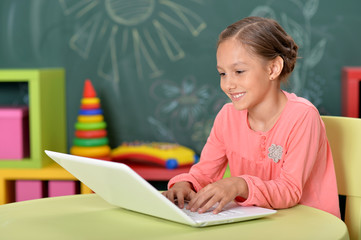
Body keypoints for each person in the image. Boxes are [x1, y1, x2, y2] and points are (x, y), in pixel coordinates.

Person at [162, 16, 341, 218]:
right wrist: (184, 184)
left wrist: (240, 184)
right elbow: (204, 174)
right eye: (222, 73)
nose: (228, 84)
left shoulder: (303, 117)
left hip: (308, 224)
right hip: (258, 224)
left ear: (273, 68)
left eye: (239, 71)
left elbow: (290, 190)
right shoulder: (227, 117)